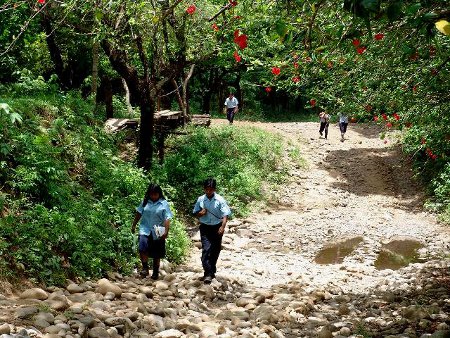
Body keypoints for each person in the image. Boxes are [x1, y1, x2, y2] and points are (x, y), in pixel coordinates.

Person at [192, 178, 231, 284]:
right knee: (206, 249)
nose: (208, 192)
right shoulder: (201, 199)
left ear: (214, 189)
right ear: (204, 189)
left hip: (217, 227)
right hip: (205, 227)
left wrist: (222, 227)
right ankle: (208, 273)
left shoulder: (220, 200)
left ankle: (211, 270)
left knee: (215, 249)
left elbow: (225, 214)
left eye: (211, 190)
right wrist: (200, 213)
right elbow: (195, 213)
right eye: (207, 189)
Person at [131, 184, 172, 280]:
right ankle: (145, 267)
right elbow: (139, 213)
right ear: (149, 194)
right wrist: (134, 224)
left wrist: (166, 231)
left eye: (155, 194)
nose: (153, 196)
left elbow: (167, 218)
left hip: (158, 230)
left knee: (156, 253)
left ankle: (155, 272)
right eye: (151, 194)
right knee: (142, 247)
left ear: (159, 194)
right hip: (144, 229)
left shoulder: (163, 203)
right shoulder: (145, 202)